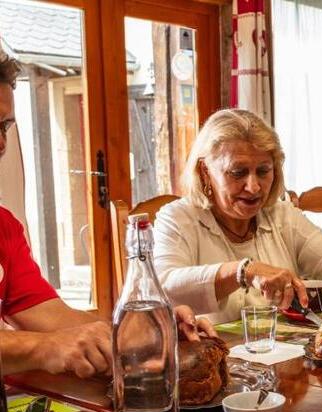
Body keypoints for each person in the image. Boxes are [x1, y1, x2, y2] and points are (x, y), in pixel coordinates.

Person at [0, 51, 213, 379]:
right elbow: (52, 339)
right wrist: (46, 347)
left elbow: (51, 316)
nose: (2, 144)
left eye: (5, 127)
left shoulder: (4, 227)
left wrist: (150, 331)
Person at [153, 108, 322, 325]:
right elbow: (163, 288)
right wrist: (244, 271)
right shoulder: (177, 218)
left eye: (263, 171)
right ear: (205, 171)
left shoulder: (281, 215)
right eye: (238, 172)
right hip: (210, 356)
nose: (253, 187)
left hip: (280, 358)